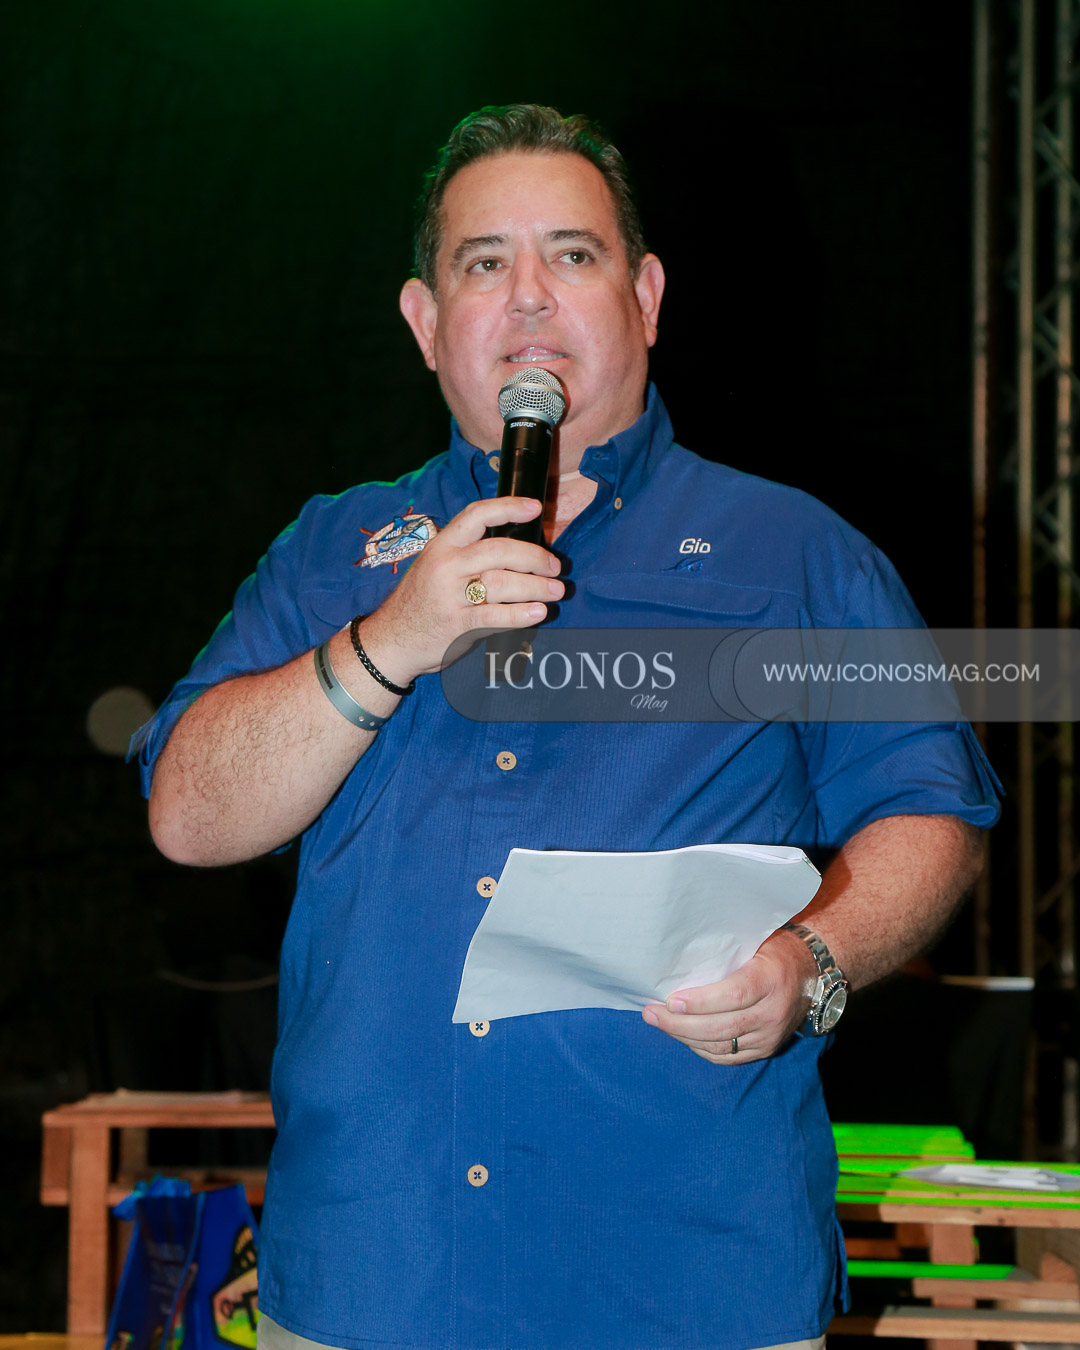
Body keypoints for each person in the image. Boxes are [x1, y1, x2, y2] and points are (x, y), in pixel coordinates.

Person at [135, 104, 1000, 1350]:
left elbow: (931, 813)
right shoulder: (333, 552)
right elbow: (189, 816)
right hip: (376, 1281)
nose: (529, 296)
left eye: (573, 255)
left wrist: (812, 964)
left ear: (645, 298)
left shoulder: (796, 555)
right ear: (426, 322)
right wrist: (392, 640)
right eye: (484, 262)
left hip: (693, 1280)